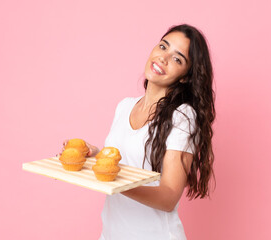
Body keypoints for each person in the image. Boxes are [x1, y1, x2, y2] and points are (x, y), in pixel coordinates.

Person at [62, 24, 215, 240]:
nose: (163, 58)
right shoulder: (124, 106)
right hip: (111, 234)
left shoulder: (182, 117)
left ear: (185, 77)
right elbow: (124, 165)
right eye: (163, 47)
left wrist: (112, 182)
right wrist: (95, 154)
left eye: (177, 59)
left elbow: (169, 197)